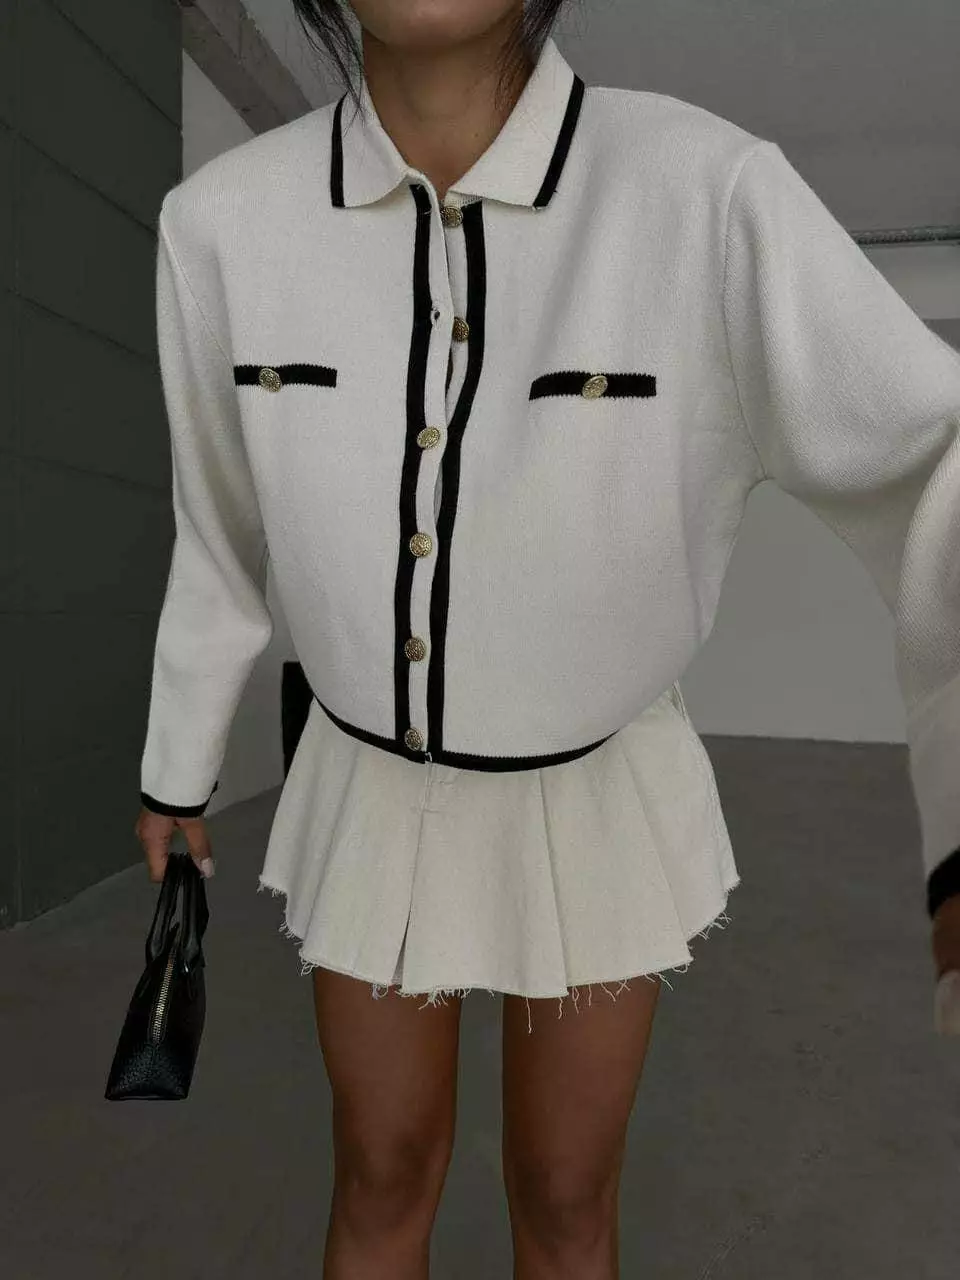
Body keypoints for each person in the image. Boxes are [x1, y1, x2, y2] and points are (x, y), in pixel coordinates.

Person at [134, 1, 960, 1276]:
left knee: (568, 1195)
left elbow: (934, 458)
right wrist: (177, 769)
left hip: (598, 791)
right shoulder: (221, 226)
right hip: (367, 785)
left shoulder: (704, 192)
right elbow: (218, 530)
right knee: (379, 1169)